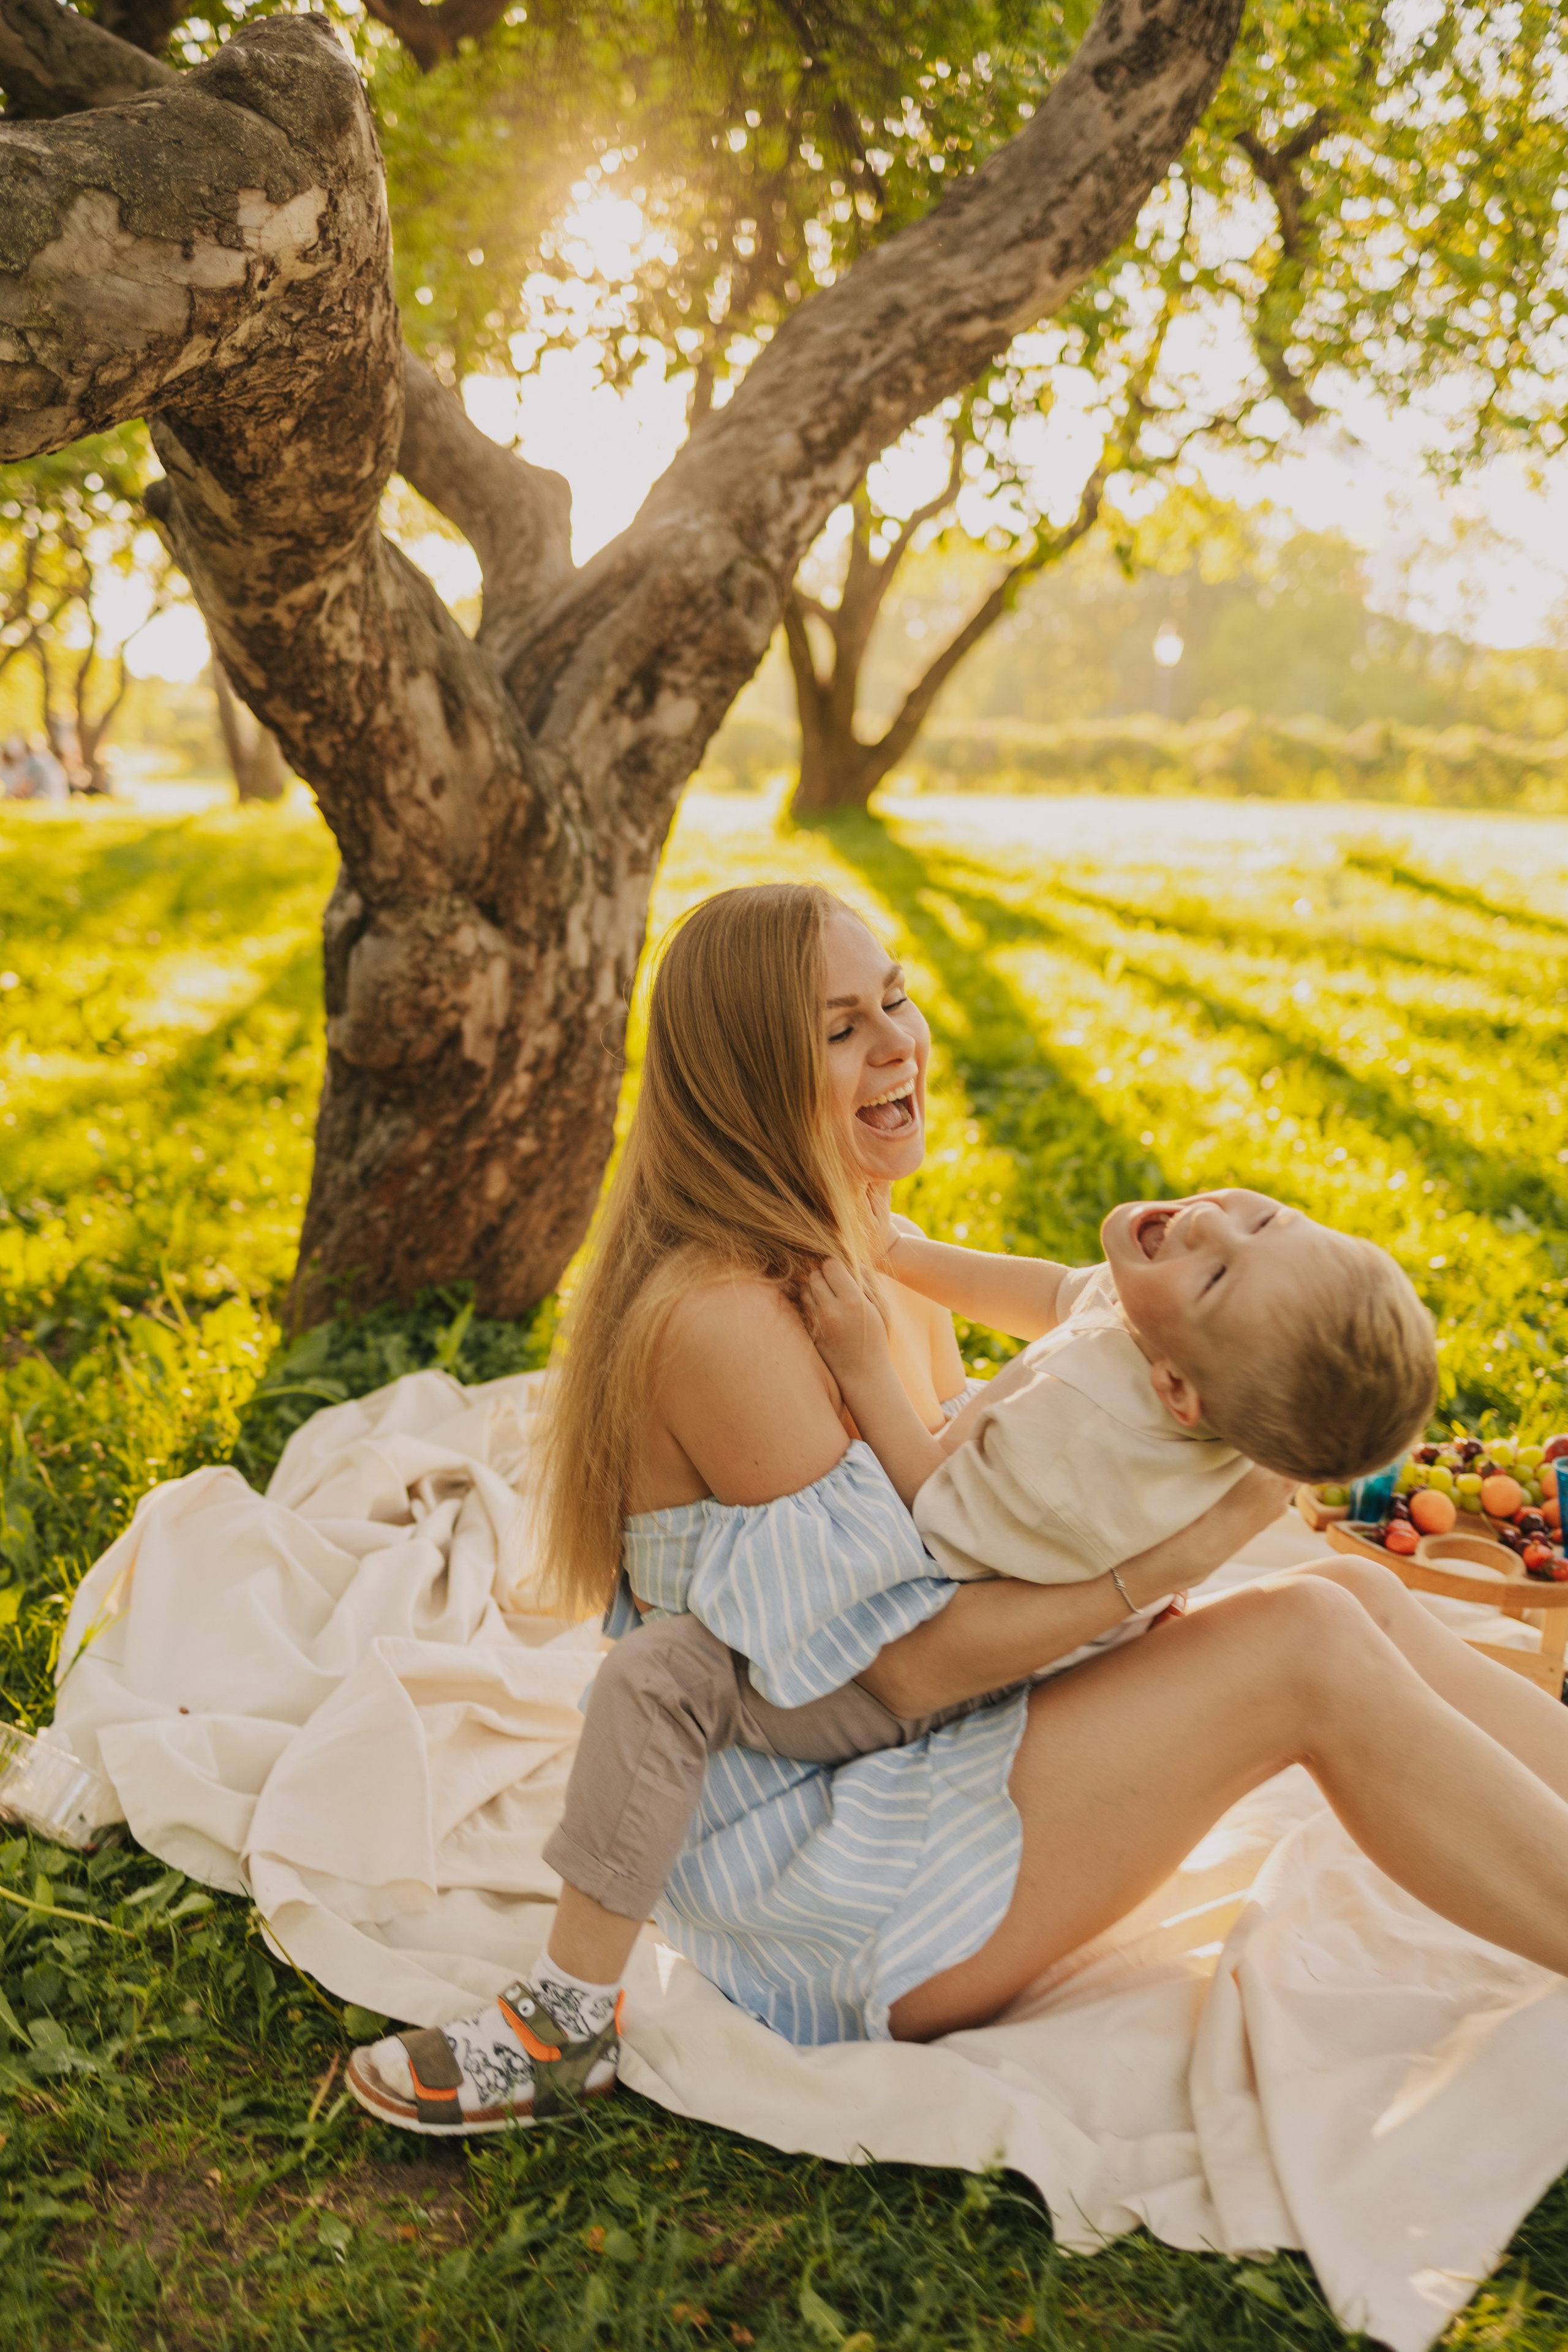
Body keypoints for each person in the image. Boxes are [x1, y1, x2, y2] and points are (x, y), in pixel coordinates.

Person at [348, 882, 1568, 2135]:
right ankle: (564, 2025)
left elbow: (978, 1506)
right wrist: (1171, 1563)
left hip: (944, 1751)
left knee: (1347, 1592)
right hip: (835, 1875)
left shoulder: (863, 1250)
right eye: (840, 1030)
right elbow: (902, 1670)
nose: (897, 1046)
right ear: (749, 1084)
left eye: (895, 1000)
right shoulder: (730, 1323)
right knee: (1303, 1643)